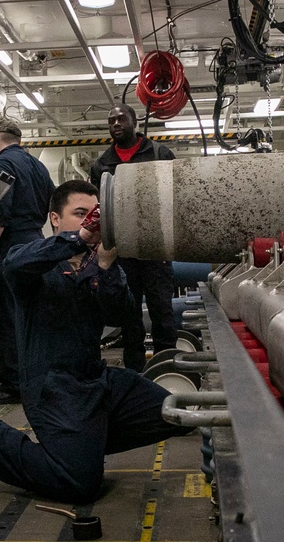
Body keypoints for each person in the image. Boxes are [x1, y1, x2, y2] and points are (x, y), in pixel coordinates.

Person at [0, 180, 190, 502]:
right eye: (79, 214)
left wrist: (106, 265)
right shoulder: (36, 260)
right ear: (54, 218)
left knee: (178, 413)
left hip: (97, 378)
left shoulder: (100, 266)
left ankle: (82, 444)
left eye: (93, 215)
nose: (87, 222)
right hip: (56, 387)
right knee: (78, 483)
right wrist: (77, 240)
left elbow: (122, 315)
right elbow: (13, 265)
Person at [89, 104, 177, 371]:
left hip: (156, 247)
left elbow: (176, 194)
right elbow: (99, 207)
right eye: (111, 120)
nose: (116, 123)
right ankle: (135, 372)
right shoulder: (101, 164)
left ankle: (168, 368)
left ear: (135, 122)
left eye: (121, 118)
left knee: (161, 310)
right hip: (123, 249)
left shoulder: (160, 153)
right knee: (130, 315)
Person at [0, 116, 55, 405]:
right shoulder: (37, 165)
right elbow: (51, 200)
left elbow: (0, 208)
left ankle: (12, 382)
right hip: (34, 240)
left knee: (6, 315)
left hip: (9, 244)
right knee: (28, 313)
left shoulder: (1, 165)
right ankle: (21, 371)